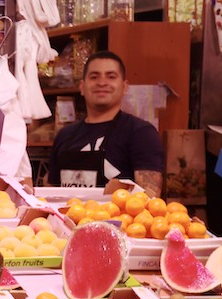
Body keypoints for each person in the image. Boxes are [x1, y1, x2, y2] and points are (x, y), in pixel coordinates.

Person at [47, 50, 164, 196]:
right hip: (68, 216)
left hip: (116, 219)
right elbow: (51, 191)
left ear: (125, 87)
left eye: (111, 77)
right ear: (82, 87)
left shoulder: (141, 133)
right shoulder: (64, 135)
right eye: (94, 77)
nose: (102, 83)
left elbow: (149, 200)